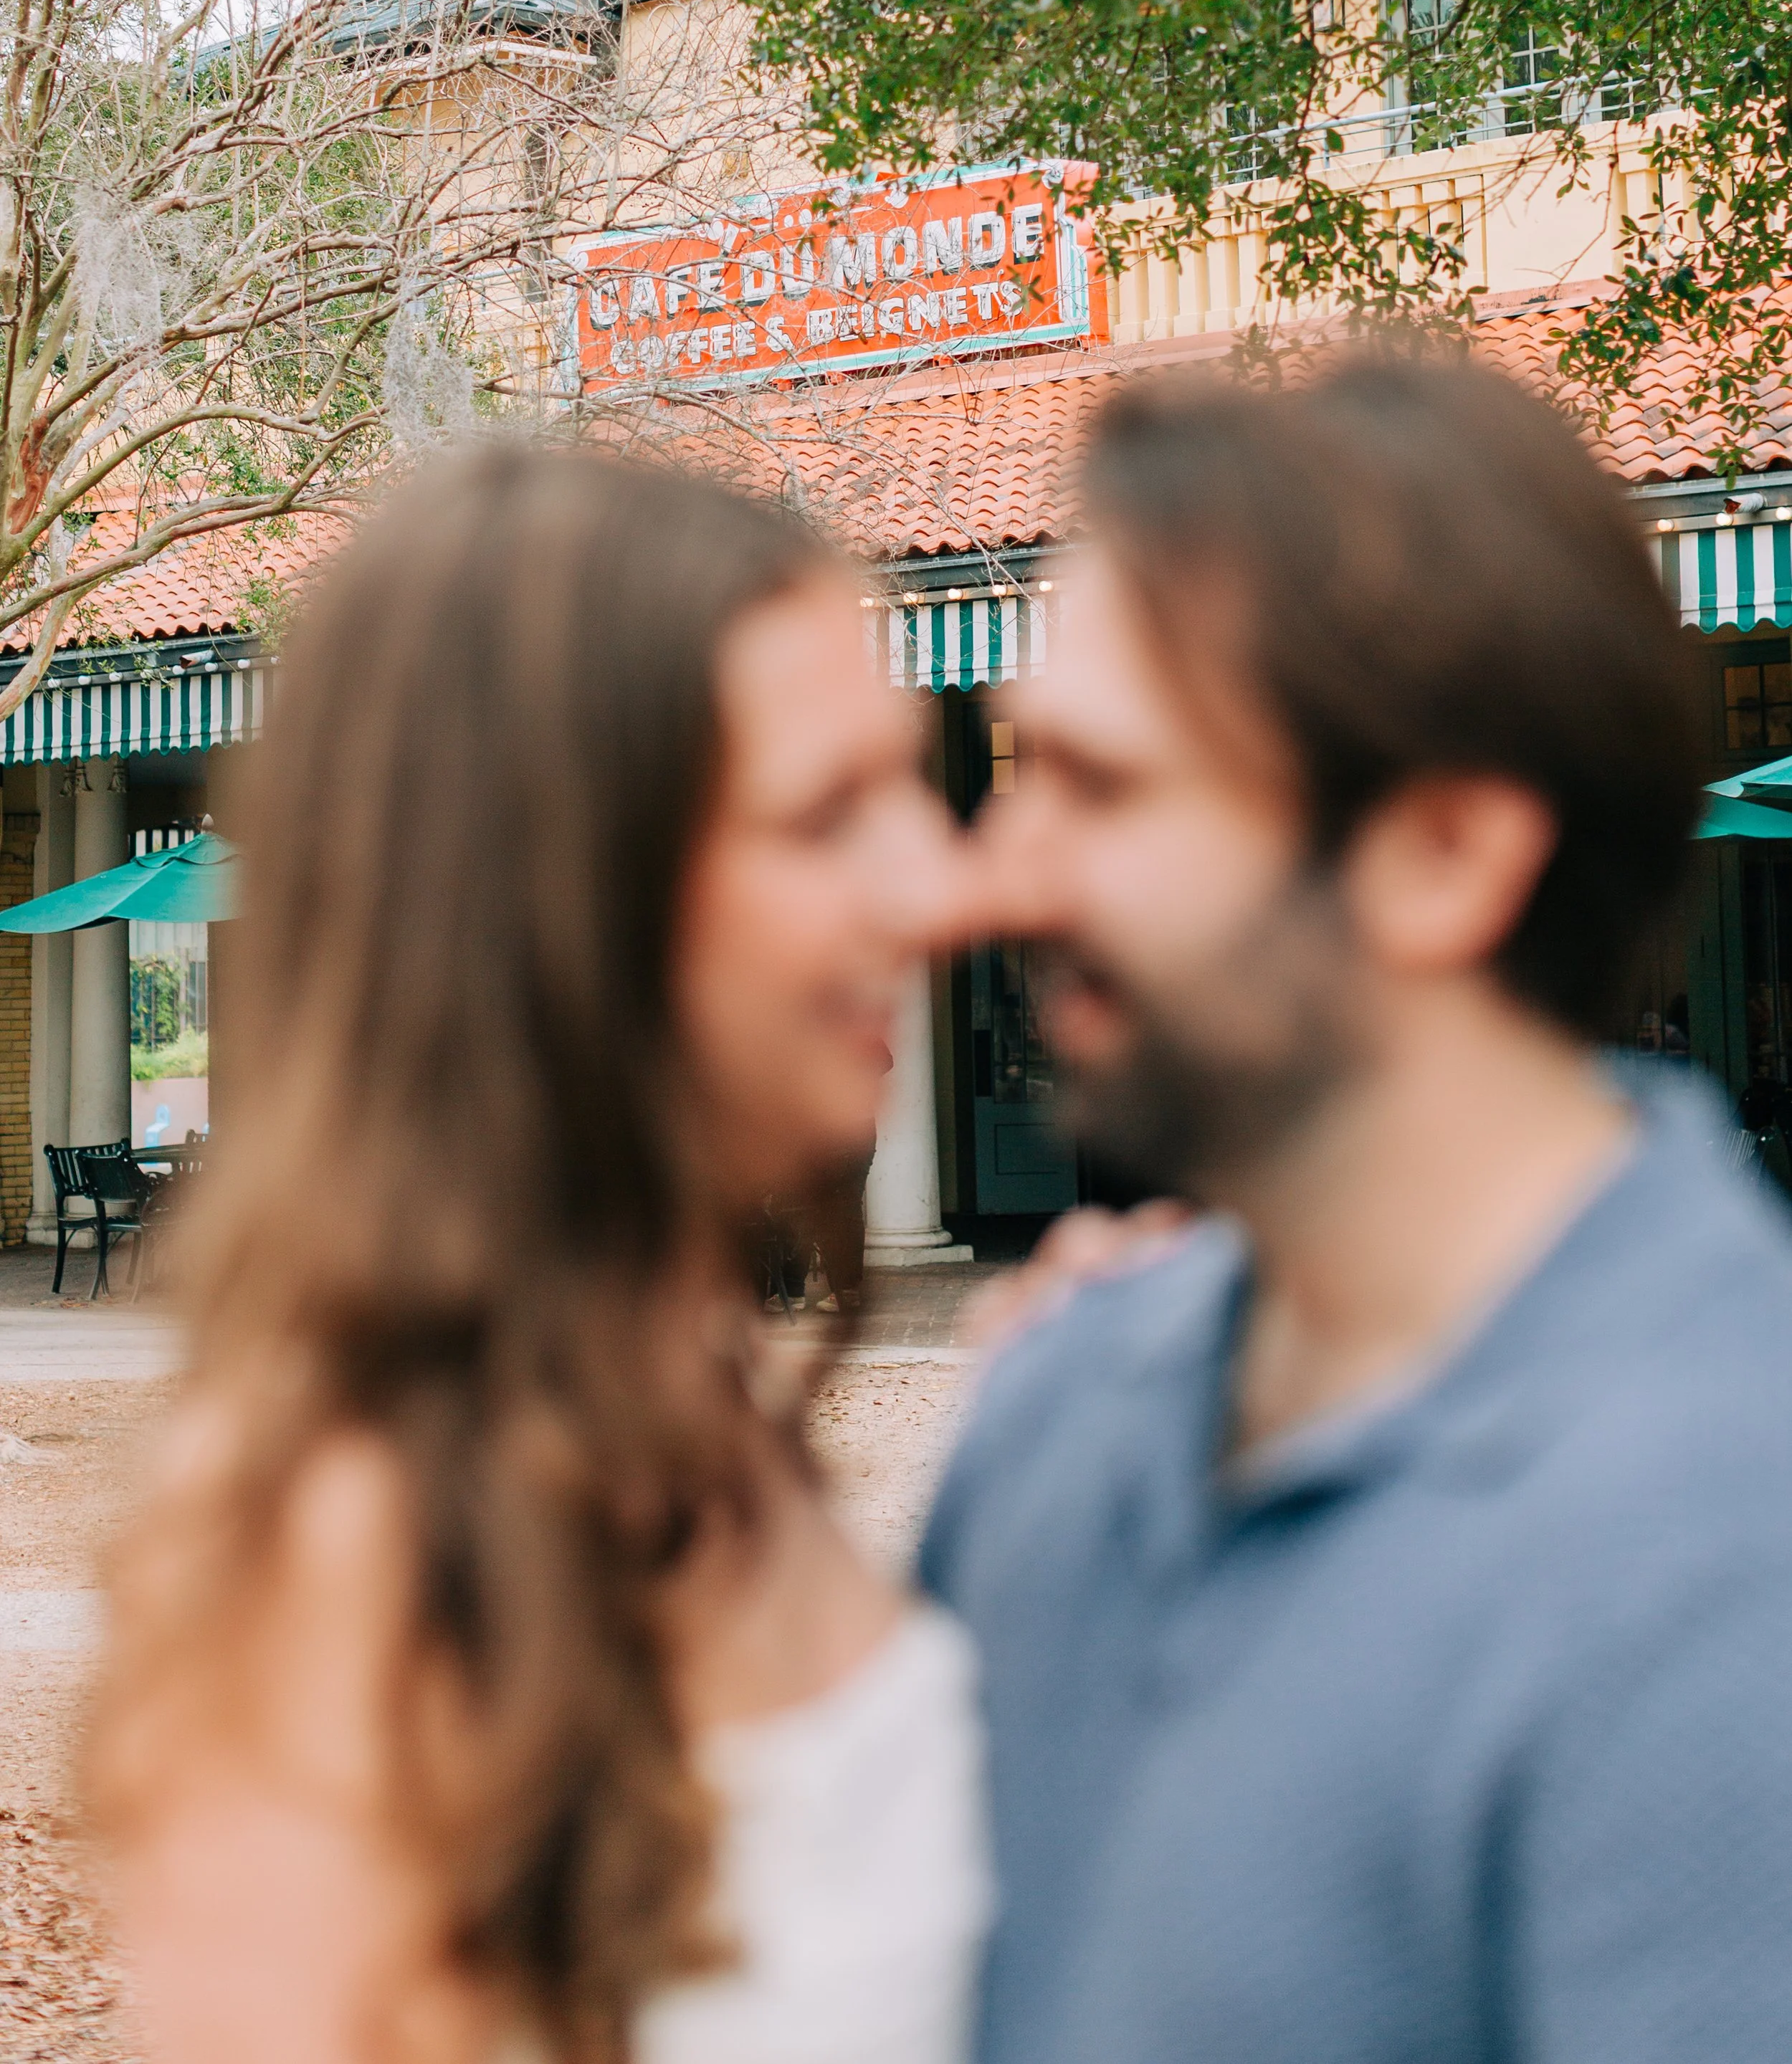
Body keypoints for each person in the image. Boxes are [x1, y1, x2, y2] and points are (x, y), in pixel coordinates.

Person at [924, 356, 1792, 2064]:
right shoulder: (1052, 1408)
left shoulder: (1724, 1552)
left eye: (1101, 786)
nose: (991, 876)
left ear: (1443, 853)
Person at [92, 442, 989, 2064]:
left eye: (912, 792)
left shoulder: (702, 1391)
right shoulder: (347, 1547)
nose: (937, 889)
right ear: (559, 891)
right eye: (825, 816)